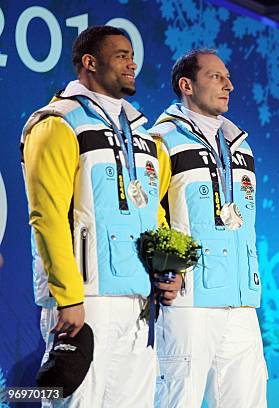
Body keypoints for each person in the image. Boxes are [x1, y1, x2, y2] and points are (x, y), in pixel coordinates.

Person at [21, 25, 181, 406]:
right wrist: (68, 297)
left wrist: (169, 270)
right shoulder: (58, 123)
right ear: (90, 63)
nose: (132, 63)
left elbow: (154, 215)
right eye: (121, 55)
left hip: (139, 302)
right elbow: (47, 218)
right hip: (86, 300)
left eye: (132, 55)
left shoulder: (144, 136)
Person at [149, 49, 266, 408]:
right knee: (178, 398)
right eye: (216, 76)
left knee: (247, 399)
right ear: (186, 85)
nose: (229, 84)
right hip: (190, 299)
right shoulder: (160, 141)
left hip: (241, 299)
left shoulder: (240, 146)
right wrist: (169, 266)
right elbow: (150, 209)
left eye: (227, 76)